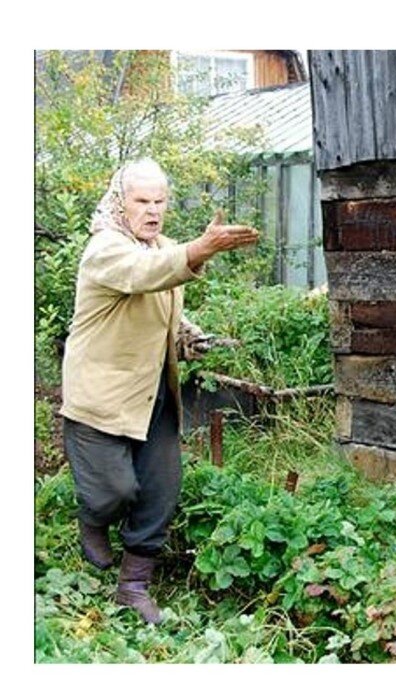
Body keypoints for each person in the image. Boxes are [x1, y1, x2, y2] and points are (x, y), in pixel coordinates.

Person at [59, 158, 260, 624]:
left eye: (159, 201)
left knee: (159, 490)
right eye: (141, 201)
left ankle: (133, 587)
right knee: (113, 490)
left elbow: (164, 303)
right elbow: (144, 274)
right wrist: (201, 248)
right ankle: (93, 516)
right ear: (120, 203)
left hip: (152, 392)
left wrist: (191, 337)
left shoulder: (164, 247)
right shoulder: (105, 249)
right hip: (101, 395)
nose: (152, 211)